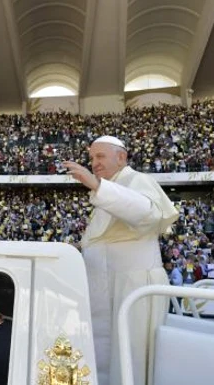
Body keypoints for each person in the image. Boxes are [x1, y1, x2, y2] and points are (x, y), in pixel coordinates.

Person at [63, 135, 178, 385]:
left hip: (132, 286)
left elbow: (146, 213)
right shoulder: (111, 186)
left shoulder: (138, 180)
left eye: (100, 156)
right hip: (108, 287)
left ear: (122, 157)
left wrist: (96, 185)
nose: (94, 163)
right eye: (92, 158)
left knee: (131, 358)